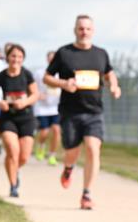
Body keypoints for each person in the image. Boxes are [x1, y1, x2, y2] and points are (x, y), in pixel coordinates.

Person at [43, 14, 121, 210]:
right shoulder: (64, 53)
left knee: (93, 149)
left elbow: (109, 73)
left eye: (87, 28)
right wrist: (63, 83)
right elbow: (47, 77)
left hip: (94, 112)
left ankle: (86, 194)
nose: (84, 32)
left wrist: (114, 86)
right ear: (75, 30)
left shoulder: (101, 53)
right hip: (70, 112)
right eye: (80, 28)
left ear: (93, 31)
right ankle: (68, 168)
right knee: (72, 152)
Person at [0, 44, 39, 197]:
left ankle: (15, 169)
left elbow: (35, 95)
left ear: (23, 59)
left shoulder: (27, 74)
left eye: (19, 57)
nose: (16, 59)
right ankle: (13, 186)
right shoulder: (0, 76)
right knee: (12, 151)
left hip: (26, 117)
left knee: (23, 156)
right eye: (13, 56)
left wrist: (24, 102)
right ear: (7, 57)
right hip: (8, 117)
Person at [33, 50, 62, 165]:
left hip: (56, 108)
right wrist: (38, 95)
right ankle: (40, 146)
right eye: (50, 58)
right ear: (47, 59)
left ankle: (52, 155)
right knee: (44, 132)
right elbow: (32, 86)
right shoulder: (40, 73)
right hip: (42, 108)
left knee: (56, 130)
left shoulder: (61, 73)